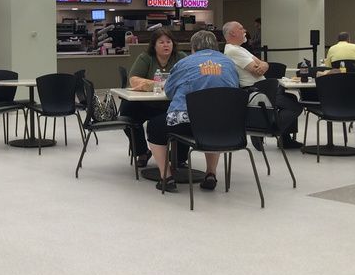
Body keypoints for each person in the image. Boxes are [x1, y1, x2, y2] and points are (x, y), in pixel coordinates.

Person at [145, 30, 239, 192]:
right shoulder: (229, 63)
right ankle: (210, 173)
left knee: (154, 126)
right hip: (224, 124)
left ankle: (166, 177)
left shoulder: (184, 63)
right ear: (216, 46)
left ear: (193, 48)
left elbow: (169, 91)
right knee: (211, 127)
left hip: (188, 123)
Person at [222, 21, 304, 149]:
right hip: (256, 90)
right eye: (241, 28)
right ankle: (267, 129)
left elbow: (264, 64)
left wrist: (264, 65)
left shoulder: (240, 49)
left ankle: (285, 139)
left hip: (262, 87)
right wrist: (263, 65)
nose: (245, 31)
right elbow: (256, 70)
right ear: (232, 33)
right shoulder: (233, 51)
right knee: (295, 106)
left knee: (291, 99)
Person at [119, 28, 187, 167]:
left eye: (168, 42)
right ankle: (142, 152)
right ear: (154, 45)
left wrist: (153, 84)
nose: (166, 45)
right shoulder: (146, 57)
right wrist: (159, 84)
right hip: (148, 104)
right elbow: (134, 80)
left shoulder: (180, 57)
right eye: (161, 42)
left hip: (172, 105)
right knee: (127, 111)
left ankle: (179, 158)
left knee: (185, 115)